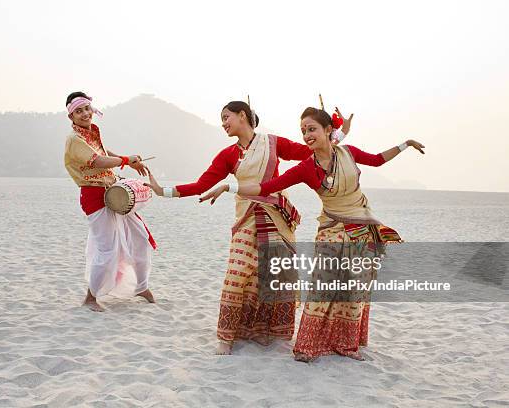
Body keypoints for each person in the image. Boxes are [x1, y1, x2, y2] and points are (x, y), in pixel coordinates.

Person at [201, 106, 425, 361]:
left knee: (354, 287)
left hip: (361, 224)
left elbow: (377, 159)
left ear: (328, 130)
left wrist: (404, 144)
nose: (306, 135)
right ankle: (307, 346)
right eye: (303, 130)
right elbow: (267, 186)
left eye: (312, 129)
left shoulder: (348, 153)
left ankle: (346, 344)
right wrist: (229, 187)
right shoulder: (306, 167)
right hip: (331, 225)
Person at [146, 101, 352, 354]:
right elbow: (202, 185)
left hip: (276, 215)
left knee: (276, 274)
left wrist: (338, 131)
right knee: (238, 272)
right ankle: (228, 336)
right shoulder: (228, 155)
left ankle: (268, 331)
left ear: (242, 115)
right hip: (247, 215)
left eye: (226, 117)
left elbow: (311, 149)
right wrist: (162, 191)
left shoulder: (274, 143)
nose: (223, 123)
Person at [63, 91, 156, 312]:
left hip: (113, 191)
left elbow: (104, 152)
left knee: (140, 237)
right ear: (71, 116)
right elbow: (99, 160)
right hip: (94, 196)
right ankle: (90, 297)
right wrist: (125, 160)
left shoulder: (91, 133)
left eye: (87, 109)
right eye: (79, 111)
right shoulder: (74, 139)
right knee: (107, 249)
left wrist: (128, 161)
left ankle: (141, 286)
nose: (85, 114)